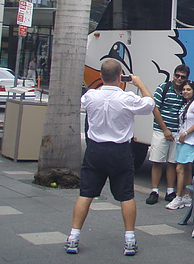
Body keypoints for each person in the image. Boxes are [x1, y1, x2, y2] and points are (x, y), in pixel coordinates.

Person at [65, 59, 154, 256]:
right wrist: (139, 83)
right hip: (120, 151)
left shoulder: (91, 96)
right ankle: (129, 239)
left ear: (101, 75)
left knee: (85, 193)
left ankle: (73, 236)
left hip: (95, 149)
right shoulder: (127, 98)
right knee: (126, 196)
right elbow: (149, 104)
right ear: (120, 74)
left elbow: (84, 102)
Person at [146, 64, 190, 205]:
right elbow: (155, 108)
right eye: (177, 75)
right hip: (161, 131)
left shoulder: (185, 92)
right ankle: (154, 191)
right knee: (157, 161)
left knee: (172, 163)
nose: (179, 79)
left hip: (177, 133)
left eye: (182, 77)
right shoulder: (163, 88)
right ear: (173, 75)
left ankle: (170, 191)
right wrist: (165, 129)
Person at [166, 80, 194, 210]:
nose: (185, 92)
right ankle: (187, 196)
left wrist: (186, 133)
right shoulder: (187, 104)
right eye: (183, 90)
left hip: (189, 141)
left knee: (179, 168)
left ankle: (178, 197)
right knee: (187, 168)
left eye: (188, 90)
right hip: (182, 140)